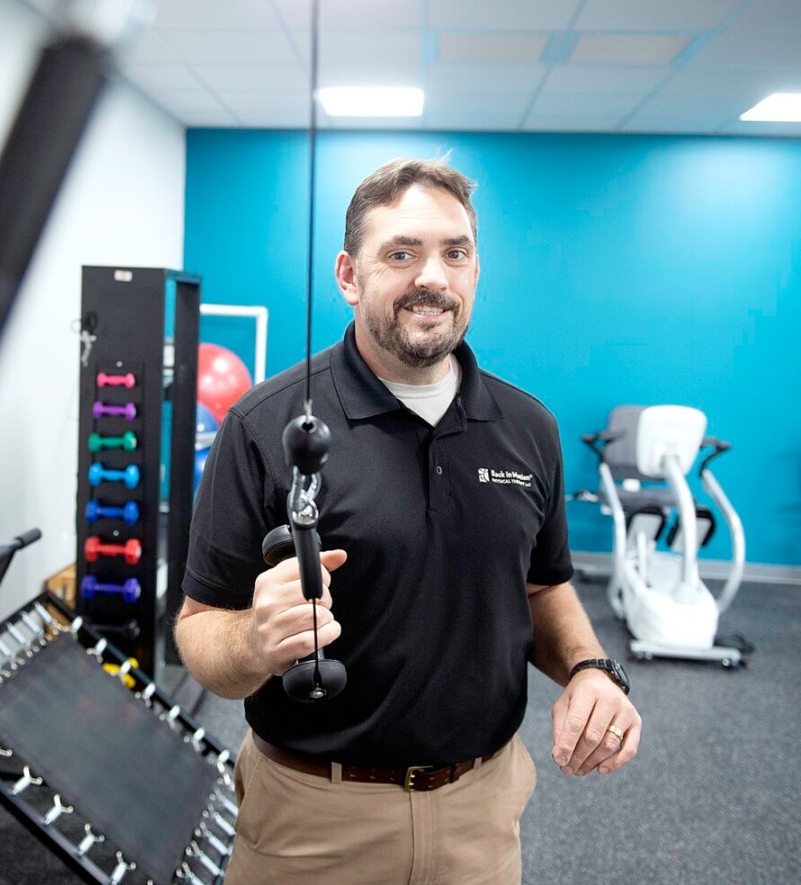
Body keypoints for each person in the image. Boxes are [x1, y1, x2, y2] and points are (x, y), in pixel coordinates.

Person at [175, 157, 641, 884]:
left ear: (475, 271)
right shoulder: (264, 426)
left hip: (481, 811)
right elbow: (199, 631)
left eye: (455, 253)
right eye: (401, 253)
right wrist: (255, 641)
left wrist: (589, 668)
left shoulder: (528, 427)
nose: (433, 276)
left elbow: (542, 587)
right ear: (348, 276)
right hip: (312, 817)